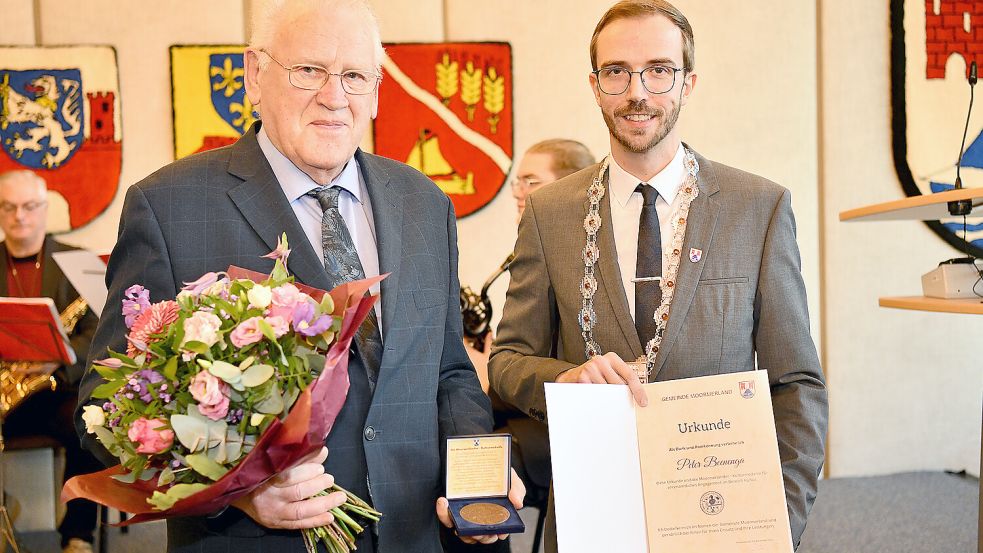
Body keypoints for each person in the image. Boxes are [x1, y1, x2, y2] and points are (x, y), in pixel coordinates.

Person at [75, 1, 522, 551]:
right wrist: (235, 490)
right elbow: (107, 406)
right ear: (254, 77)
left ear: (377, 92)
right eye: (309, 70)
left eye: (355, 76)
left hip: (418, 534)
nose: (334, 97)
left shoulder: (423, 202)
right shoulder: (170, 207)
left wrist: (477, 481)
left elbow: (449, 372)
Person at [487, 1, 828, 552]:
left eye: (659, 70)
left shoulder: (756, 209)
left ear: (687, 83)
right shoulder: (550, 214)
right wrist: (568, 380)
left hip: (721, 520)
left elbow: (797, 386)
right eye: (617, 72)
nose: (637, 91)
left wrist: (778, 520)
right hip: (592, 514)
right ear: (596, 85)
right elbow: (506, 364)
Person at [0, 170, 101, 553]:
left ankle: (77, 534)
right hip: (8, 391)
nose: (19, 216)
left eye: (29, 206)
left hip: (57, 388)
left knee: (88, 426)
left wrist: (56, 360)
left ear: (44, 210)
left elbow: (95, 332)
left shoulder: (75, 261)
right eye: (9, 207)